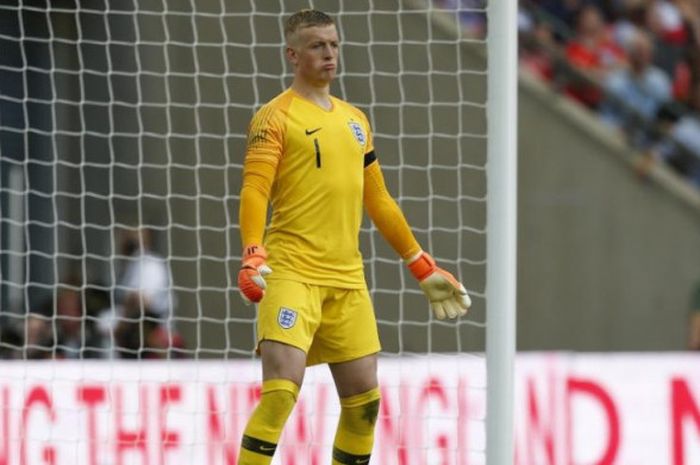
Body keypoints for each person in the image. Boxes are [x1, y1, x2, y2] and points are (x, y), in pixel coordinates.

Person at [236, 9, 471, 465]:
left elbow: (378, 198)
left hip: (346, 278)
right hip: (291, 273)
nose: (329, 53)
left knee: (365, 404)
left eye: (334, 44)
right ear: (293, 54)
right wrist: (252, 252)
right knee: (282, 391)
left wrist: (420, 264)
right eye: (318, 45)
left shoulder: (355, 120)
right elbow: (255, 189)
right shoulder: (274, 117)